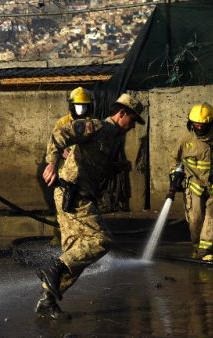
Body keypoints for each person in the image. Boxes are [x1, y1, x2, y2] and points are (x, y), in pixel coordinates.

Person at [37, 93, 144, 320]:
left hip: (81, 194)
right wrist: (52, 163)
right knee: (100, 240)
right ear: (121, 113)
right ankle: (54, 268)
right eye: (132, 120)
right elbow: (60, 134)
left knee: (76, 252)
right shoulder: (96, 126)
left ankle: (48, 300)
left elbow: (96, 163)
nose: (133, 126)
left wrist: (117, 166)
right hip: (73, 193)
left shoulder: (115, 137)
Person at [44, 87, 94, 246]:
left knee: (83, 208)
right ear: (72, 106)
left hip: (84, 172)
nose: (81, 108)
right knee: (63, 207)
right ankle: (58, 238)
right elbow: (54, 144)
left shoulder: (92, 123)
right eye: (78, 105)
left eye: (84, 105)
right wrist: (60, 155)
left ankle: (82, 242)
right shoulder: (63, 122)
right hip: (65, 172)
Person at [169, 103, 213, 261]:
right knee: (195, 219)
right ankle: (196, 248)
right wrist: (175, 177)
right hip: (194, 187)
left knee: (211, 219)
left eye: (203, 125)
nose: (199, 127)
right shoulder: (185, 140)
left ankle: (206, 251)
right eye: (196, 124)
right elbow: (175, 161)